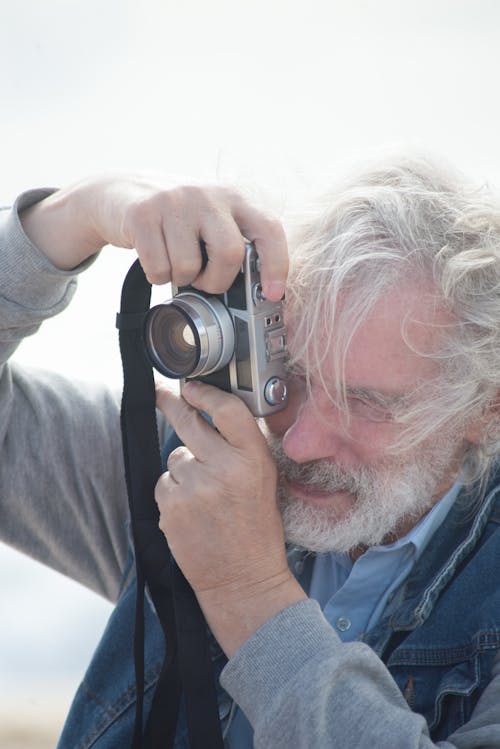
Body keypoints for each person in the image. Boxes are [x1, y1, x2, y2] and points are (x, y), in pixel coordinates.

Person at [1, 155, 499, 748]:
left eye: (367, 404)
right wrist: (80, 211)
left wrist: (248, 591)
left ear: (485, 410)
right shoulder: (194, 479)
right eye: (287, 376)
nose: (298, 441)